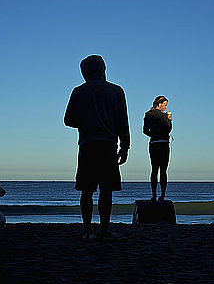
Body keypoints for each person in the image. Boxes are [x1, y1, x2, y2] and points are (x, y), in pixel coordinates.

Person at [64, 55, 130, 241]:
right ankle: (105, 229)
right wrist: (125, 147)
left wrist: (86, 121)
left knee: (86, 190)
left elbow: (68, 120)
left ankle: (87, 230)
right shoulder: (116, 91)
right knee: (106, 190)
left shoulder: (78, 91)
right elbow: (122, 123)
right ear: (103, 69)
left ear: (85, 72)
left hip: (87, 145)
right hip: (108, 145)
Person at [143, 95, 172, 201]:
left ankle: (154, 195)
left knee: (154, 170)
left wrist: (153, 135)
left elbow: (145, 131)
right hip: (163, 143)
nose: (165, 108)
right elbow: (168, 129)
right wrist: (170, 120)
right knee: (163, 170)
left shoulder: (148, 114)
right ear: (160, 104)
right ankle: (162, 195)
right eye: (165, 105)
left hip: (154, 143)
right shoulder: (164, 116)